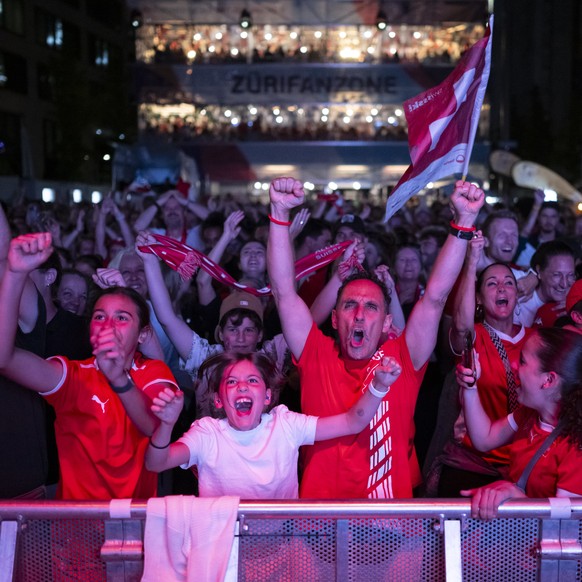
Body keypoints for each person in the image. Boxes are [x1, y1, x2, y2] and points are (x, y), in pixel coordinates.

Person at [267, 176, 484, 499]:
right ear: (336, 319)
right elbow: (284, 292)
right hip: (320, 523)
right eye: (350, 305)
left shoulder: (403, 358)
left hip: (389, 528)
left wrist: (463, 222)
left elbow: (436, 297)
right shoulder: (316, 354)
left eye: (371, 307)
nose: (358, 314)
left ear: (386, 322)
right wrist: (278, 214)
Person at [0, 233, 178, 500]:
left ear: (141, 334)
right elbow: (5, 360)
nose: (109, 324)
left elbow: (154, 427)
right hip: (75, 528)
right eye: (99, 316)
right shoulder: (72, 376)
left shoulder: (152, 371)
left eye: (122, 317)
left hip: (136, 525)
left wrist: (119, 379)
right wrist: (14, 273)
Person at [145, 351, 401, 499]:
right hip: (223, 550)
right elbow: (156, 463)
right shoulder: (207, 433)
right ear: (219, 401)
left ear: (267, 397)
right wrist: (167, 424)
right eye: (232, 382)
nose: (242, 386)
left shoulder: (284, 424)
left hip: (280, 550)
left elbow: (352, 422)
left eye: (252, 381)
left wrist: (379, 386)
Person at [437, 233, 533, 495]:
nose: (501, 288)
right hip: (473, 465)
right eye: (491, 284)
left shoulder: (537, 339)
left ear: (517, 294)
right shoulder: (474, 337)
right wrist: (472, 262)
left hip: (523, 468)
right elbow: (460, 324)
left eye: (508, 283)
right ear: (478, 298)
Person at [457, 328, 582, 519]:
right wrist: (471, 388)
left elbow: (565, 527)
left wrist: (516, 498)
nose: (514, 365)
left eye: (522, 361)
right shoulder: (529, 414)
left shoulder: (576, 445)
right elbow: (484, 439)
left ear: (548, 380)